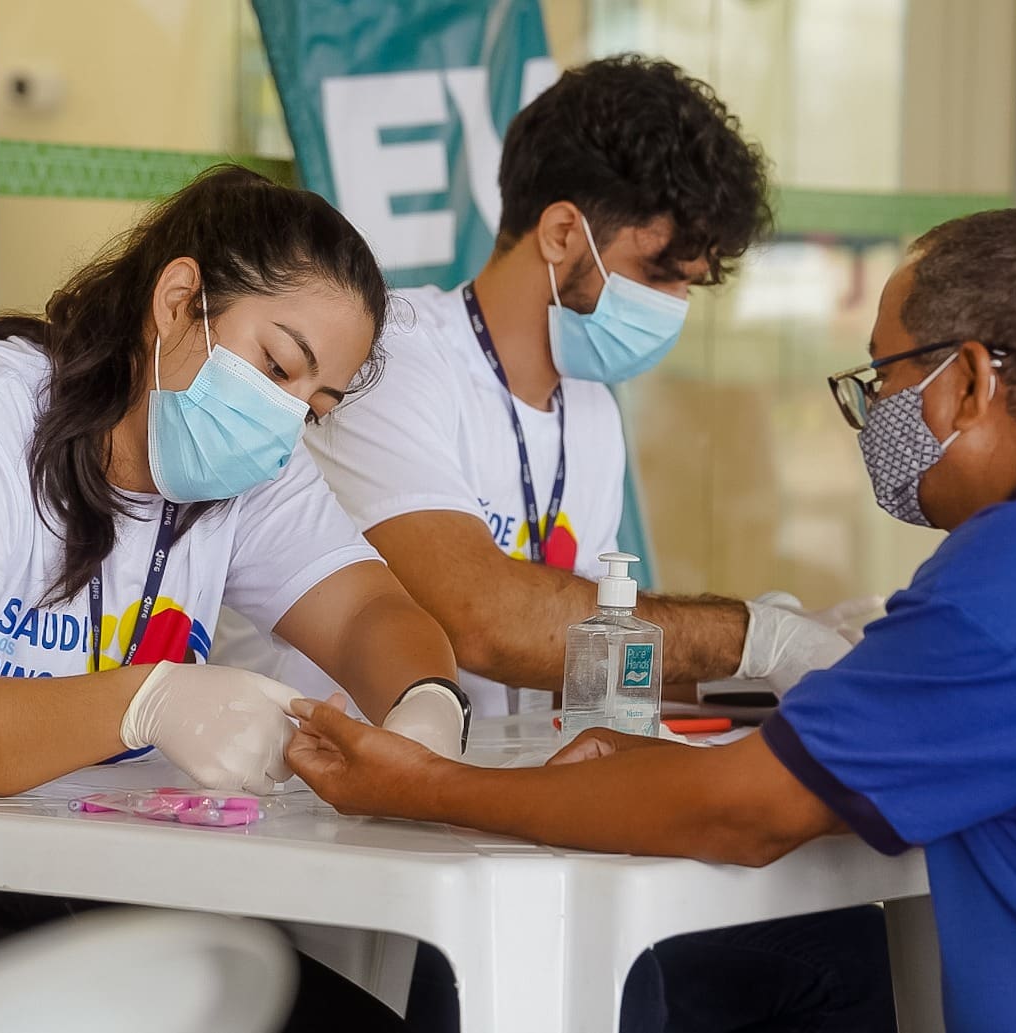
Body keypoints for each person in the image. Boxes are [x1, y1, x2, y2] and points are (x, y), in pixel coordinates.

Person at [282, 207, 1016, 1032]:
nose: (877, 413)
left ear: (974, 380)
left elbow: (744, 811)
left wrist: (427, 783)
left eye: (889, 378)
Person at [218, 56, 894, 1033]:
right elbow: (484, 620)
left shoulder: (591, 411)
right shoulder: (395, 358)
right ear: (563, 233)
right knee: (624, 987)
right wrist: (759, 636)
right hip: (359, 840)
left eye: (692, 285)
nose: (673, 306)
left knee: (833, 949)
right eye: (662, 272)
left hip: (522, 825)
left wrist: (823, 668)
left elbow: (598, 651)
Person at [0, 165, 465, 1031]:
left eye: (313, 405)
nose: (283, 424)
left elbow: (365, 613)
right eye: (276, 364)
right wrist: (145, 701)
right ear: (176, 300)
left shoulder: (247, 473)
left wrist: (426, 707)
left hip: (48, 885)